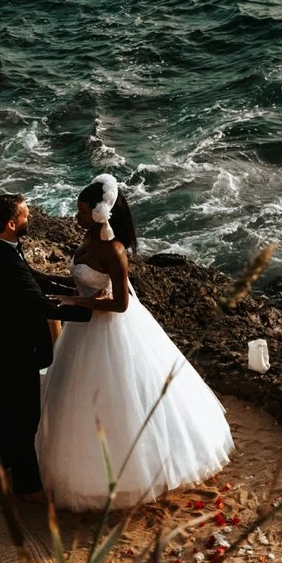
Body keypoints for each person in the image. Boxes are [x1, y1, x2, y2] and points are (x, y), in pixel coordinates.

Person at [37, 173, 234, 510]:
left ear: (101, 213)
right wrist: (63, 291)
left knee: (122, 396)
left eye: (83, 211)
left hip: (110, 328)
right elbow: (82, 282)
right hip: (82, 327)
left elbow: (120, 303)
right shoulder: (87, 237)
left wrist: (81, 302)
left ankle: (135, 475)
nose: (77, 217)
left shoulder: (114, 250)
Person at [0, 192, 93, 502]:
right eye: (26, 215)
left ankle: (5, 461)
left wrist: (63, 284)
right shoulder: (4, 258)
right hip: (13, 347)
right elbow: (35, 303)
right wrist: (88, 311)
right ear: (12, 223)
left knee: (7, 405)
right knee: (25, 414)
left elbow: (29, 278)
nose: (31, 217)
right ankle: (26, 486)